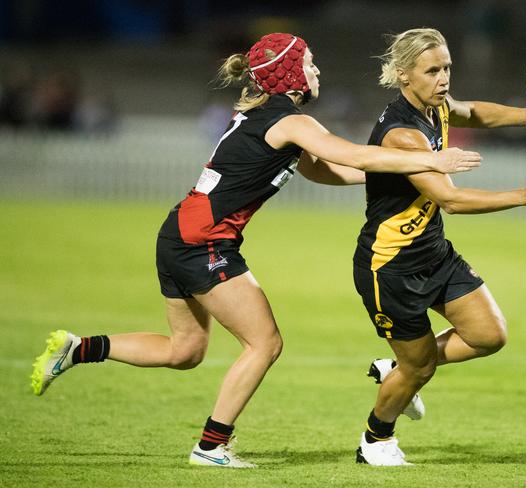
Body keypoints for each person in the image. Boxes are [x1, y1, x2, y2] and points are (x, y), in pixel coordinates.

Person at [30, 33, 483, 469]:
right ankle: (212, 446)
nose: (316, 69)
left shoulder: (268, 114)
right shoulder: (292, 120)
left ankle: (79, 348)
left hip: (180, 235)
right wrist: (431, 160)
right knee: (264, 343)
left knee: (184, 351)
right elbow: (354, 156)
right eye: (308, 63)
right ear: (291, 76)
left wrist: (394, 174)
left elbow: (324, 172)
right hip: (203, 243)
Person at [352, 28, 526, 466]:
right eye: (432, 70)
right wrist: (522, 195)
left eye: (446, 68)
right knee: (420, 368)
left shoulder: (434, 107)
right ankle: (375, 439)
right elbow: (451, 199)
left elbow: (473, 112)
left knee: (488, 334)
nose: (443, 78)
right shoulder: (402, 134)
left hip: (433, 251)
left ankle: (398, 372)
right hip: (391, 267)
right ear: (404, 75)